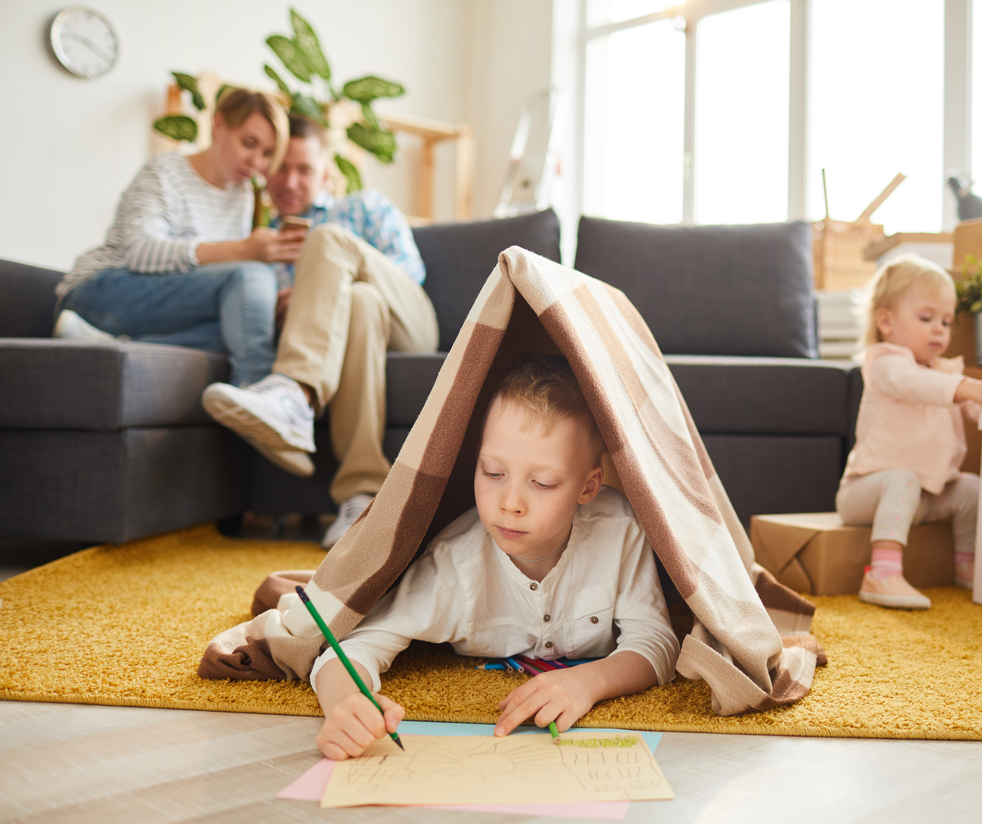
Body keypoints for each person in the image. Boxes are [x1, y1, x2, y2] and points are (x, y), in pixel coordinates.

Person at [311, 354, 679, 760]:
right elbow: (354, 647)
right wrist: (345, 703)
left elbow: (657, 640)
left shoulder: (619, 529)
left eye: (542, 482)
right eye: (493, 473)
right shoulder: (455, 567)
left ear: (588, 487)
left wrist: (588, 682)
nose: (510, 503)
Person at [200, 115, 439, 549]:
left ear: (326, 174)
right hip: (354, 329)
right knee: (360, 304)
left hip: (409, 321)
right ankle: (361, 495)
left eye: (304, 169)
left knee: (329, 244)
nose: (290, 180)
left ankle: (294, 394)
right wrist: (289, 304)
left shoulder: (364, 207)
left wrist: (328, 279)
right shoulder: (262, 242)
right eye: (281, 169)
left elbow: (409, 272)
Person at [54, 88, 299, 387]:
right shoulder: (165, 171)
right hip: (102, 291)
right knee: (250, 275)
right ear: (218, 124)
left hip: (157, 310)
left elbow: (218, 275)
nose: (256, 163)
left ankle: (116, 344)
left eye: (267, 154)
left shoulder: (242, 194)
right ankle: (260, 394)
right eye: (248, 143)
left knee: (245, 322)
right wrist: (243, 250)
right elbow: (140, 253)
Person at [837, 255, 982, 610]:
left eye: (946, 321)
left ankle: (966, 565)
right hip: (866, 492)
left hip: (925, 495)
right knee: (902, 479)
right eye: (926, 318)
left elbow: (971, 408)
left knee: (970, 488)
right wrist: (969, 386)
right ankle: (882, 573)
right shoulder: (884, 363)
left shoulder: (944, 372)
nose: (939, 329)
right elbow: (915, 384)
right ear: (886, 322)